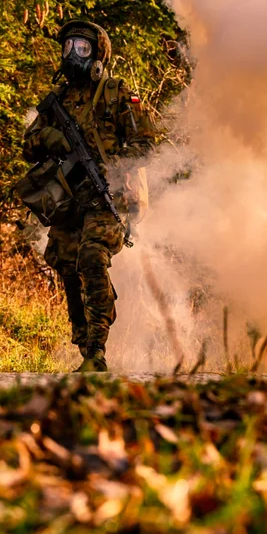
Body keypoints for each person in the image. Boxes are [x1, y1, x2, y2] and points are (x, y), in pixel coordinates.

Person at [23, 20, 163, 372]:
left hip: (108, 198)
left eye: (82, 48)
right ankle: (83, 338)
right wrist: (50, 139)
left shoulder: (116, 93)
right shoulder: (58, 100)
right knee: (66, 266)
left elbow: (146, 145)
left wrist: (111, 167)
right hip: (68, 200)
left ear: (98, 54)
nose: (73, 54)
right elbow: (29, 145)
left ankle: (96, 349)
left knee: (91, 256)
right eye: (68, 47)